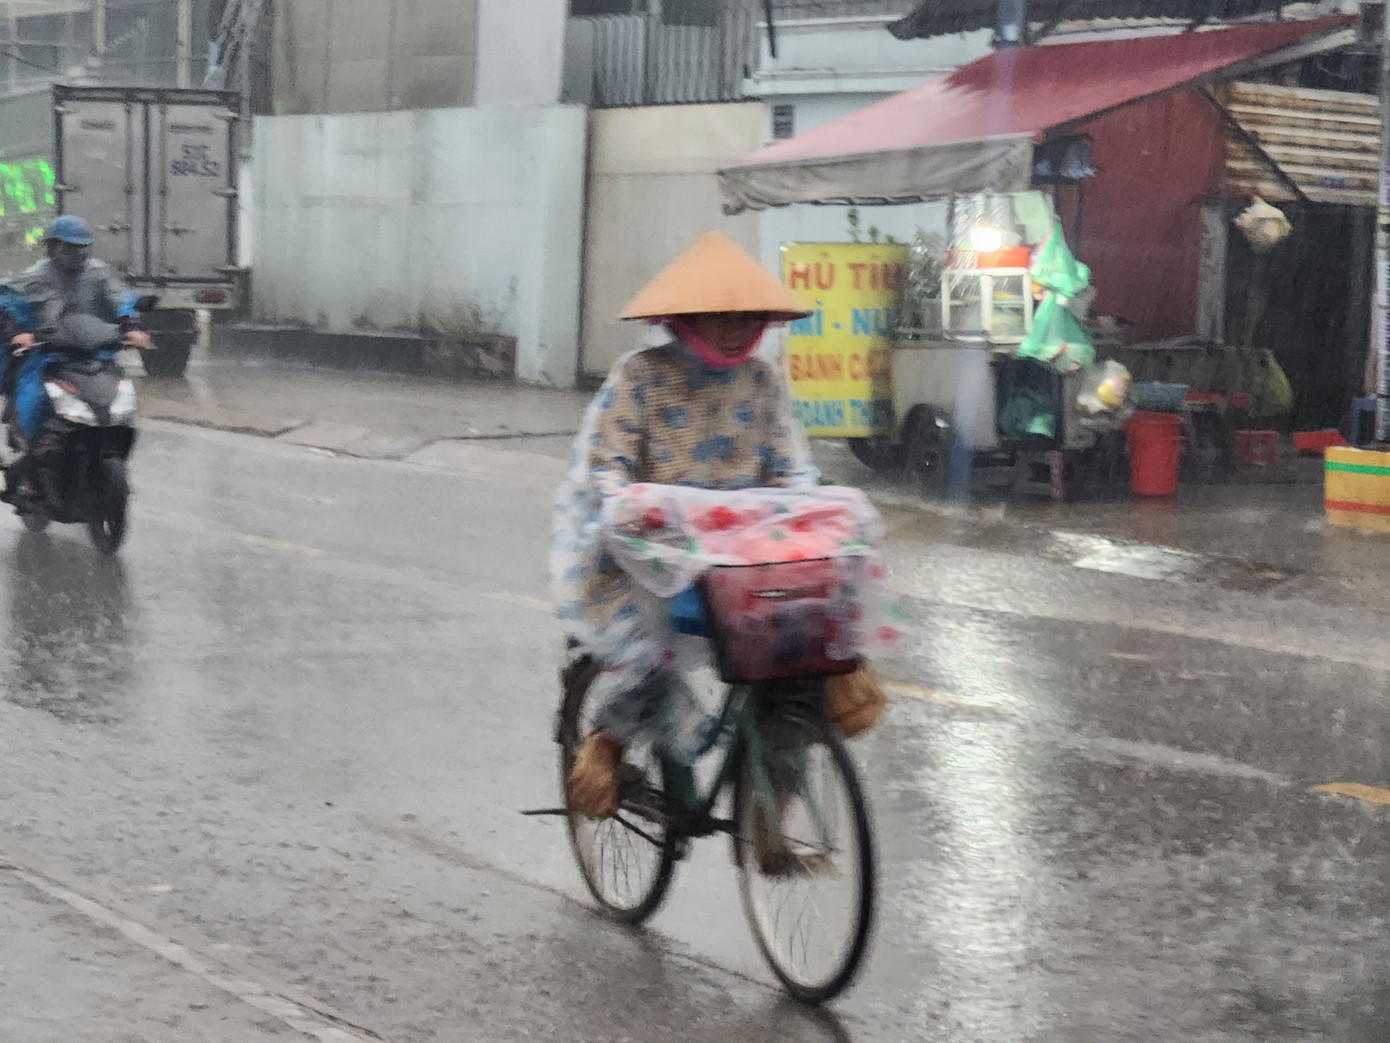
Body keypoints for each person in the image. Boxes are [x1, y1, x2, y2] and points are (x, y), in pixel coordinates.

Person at [550, 230, 817, 819]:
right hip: (648, 557)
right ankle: (607, 741)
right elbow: (604, 467)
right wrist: (625, 505)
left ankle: (769, 819)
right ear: (684, 318)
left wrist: (800, 507)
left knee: (802, 655)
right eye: (715, 316)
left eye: (742, 315)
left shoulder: (764, 380)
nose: (730, 328)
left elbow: (791, 466)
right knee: (652, 656)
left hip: (740, 554)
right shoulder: (638, 376)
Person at [0, 216, 150, 490]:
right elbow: (7, 304)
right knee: (32, 398)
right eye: (68, 247)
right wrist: (16, 334)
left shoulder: (98, 273)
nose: (75, 254)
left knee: (116, 397)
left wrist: (132, 328)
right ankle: (30, 450)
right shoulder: (36, 276)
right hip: (47, 354)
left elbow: (121, 301)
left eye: (81, 248)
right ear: (52, 247)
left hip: (92, 354)